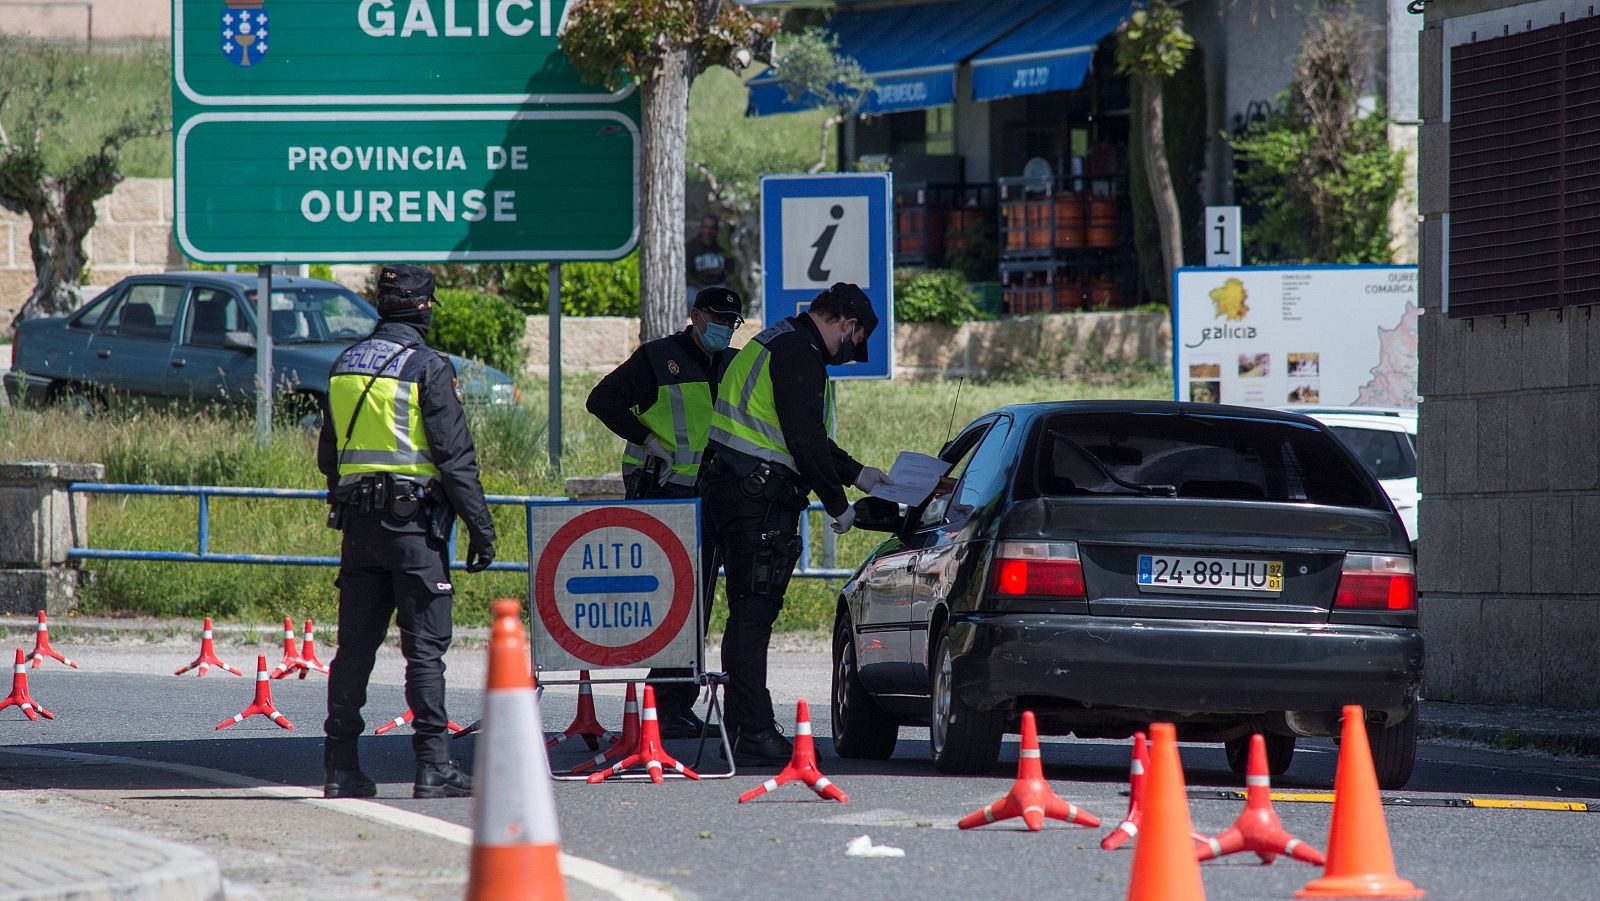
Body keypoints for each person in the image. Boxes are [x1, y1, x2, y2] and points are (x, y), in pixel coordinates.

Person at [317, 263, 497, 800]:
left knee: (354, 651)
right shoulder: (427, 367)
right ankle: (432, 766)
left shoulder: (345, 363)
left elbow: (330, 456)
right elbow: (455, 459)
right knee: (424, 652)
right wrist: (481, 530)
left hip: (358, 527)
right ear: (424, 308)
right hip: (414, 529)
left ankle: (340, 767)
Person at [701, 282, 890, 765]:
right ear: (847, 325)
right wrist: (840, 507)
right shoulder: (800, 354)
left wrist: (860, 474)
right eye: (858, 338)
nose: (853, 350)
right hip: (756, 499)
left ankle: (745, 725)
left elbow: (800, 433)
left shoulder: (776, 341)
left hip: (731, 487)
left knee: (744, 614)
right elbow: (803, 440)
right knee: (753, 614)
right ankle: (756, 732)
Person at [585, 286, 744, 737]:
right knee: (674, 601)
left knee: (695, 602)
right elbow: (602, 401)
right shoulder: (658, 357)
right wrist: (647, 440)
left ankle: (672, 704)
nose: (724, 329)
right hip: (663, 493)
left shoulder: (733, 364)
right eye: (716, 319)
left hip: (710, 495)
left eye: (731, 322)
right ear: (694, 316)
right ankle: (665, 706)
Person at [686, 214, 734, 306]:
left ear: (716, 230)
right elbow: (687, 274)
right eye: (705, 227)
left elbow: (731, 272)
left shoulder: (722, 247)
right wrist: (700, 286)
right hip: (696, 287)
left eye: (712, 228)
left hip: (719, 286)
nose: (709, 231)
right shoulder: (691, 247)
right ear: (700, 228)